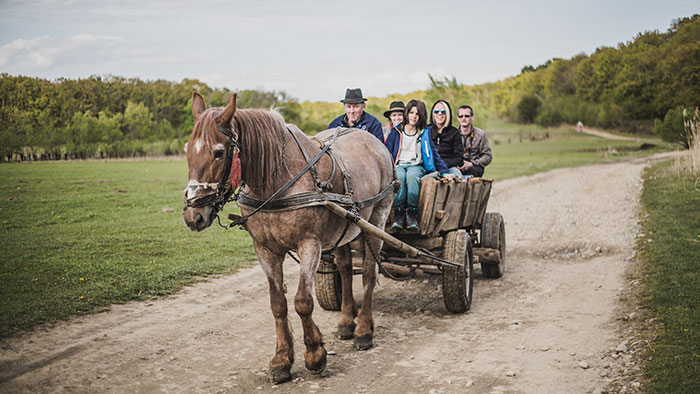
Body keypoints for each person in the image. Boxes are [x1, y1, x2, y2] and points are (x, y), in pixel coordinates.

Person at [385, 100, 454, 232]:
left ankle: (412, 213)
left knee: (411, 177)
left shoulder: (423, 133)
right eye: (411, 112)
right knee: (400, 177)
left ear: (421, 116)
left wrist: (444, 171)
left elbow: (434, 153)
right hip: (398, 165)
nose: (414, 116)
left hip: (416, 166)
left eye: (417, 114)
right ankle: (399, 213)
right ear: (407, 113)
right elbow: (387, 152)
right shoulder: (396, 132)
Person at [426, 100, 463, 178]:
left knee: (457, 176)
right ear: (433, 113)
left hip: (449, 167)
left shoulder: (454, 132)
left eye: (443, 112)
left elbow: (459, 158)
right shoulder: (426, 130)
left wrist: (444, 164)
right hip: (429, 166)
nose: (439, 114)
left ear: (448, 114)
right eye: (436, 111)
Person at [457, 105, 492, 177]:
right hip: (457, 166)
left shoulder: (481, 134)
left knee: (473, 172)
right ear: (458, 118)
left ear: (472, 117)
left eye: (466, 116)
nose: (463, 119)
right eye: (461, 116)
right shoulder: (453, 134)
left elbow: (488, 156)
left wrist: (471, 164)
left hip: (474, 167)